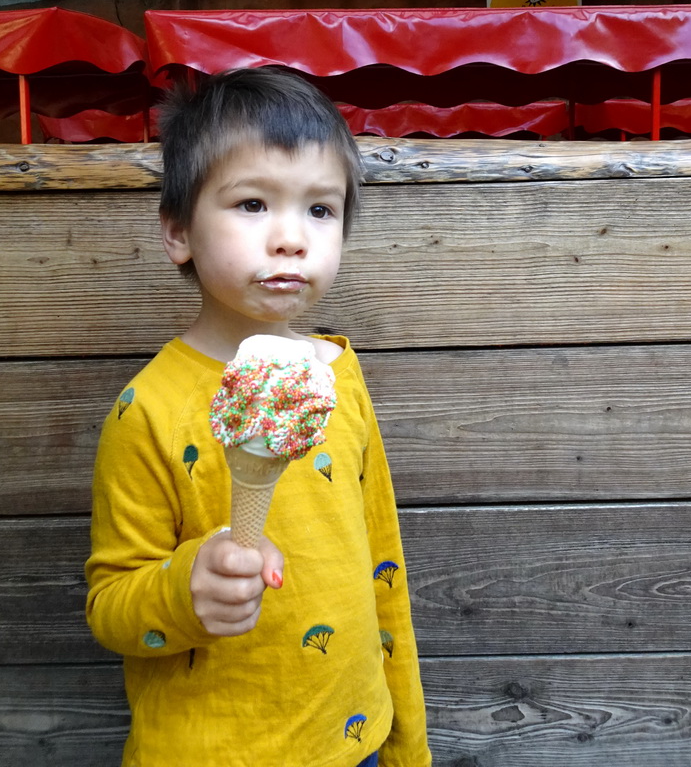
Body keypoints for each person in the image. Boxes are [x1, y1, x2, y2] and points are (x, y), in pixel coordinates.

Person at [85, 67, 431, 767]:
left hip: (352, 737)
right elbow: (110, 605)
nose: (290, 239)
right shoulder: (146, 409)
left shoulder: (339, 376)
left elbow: (382, 566)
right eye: (251, 203)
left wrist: (406, 745)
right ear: (178, 231)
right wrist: (184, 590)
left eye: (320, 210)